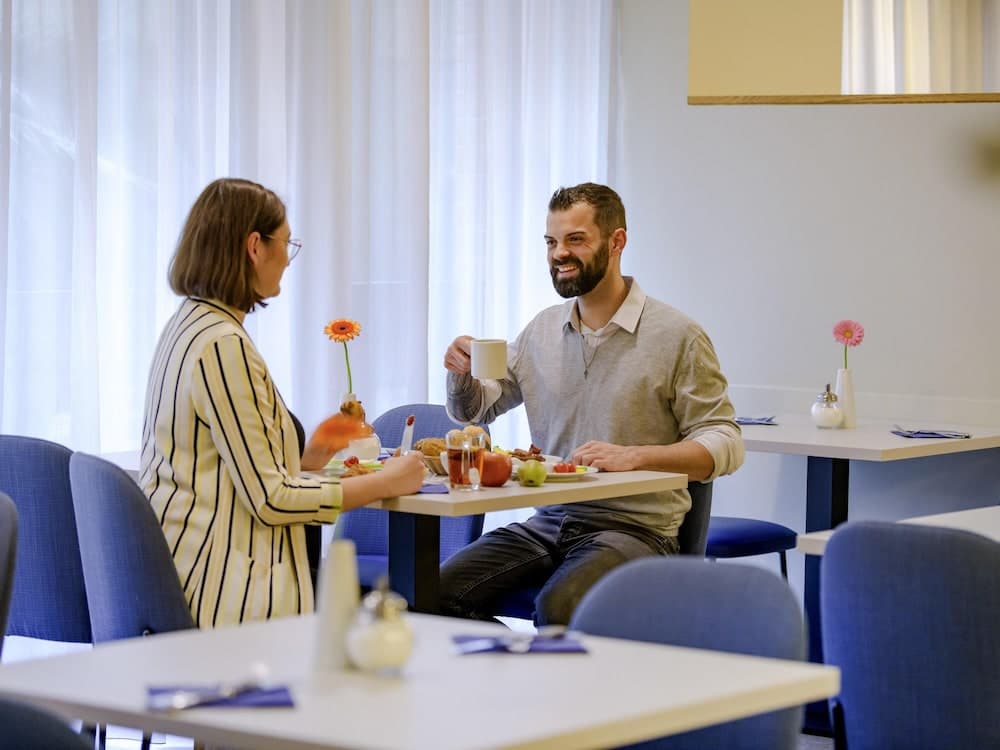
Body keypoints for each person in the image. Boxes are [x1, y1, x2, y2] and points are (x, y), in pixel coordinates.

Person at [440, 182, 744, 625]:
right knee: (432, 592)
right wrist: (461, 372)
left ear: (617, 242)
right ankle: (513, 669)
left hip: (635, 529)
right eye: (551, 242)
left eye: (576, 239)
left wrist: (637, 456)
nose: (559, 253)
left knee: (560, 607)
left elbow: (726, 440)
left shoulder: (678, 336)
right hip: (550, 521)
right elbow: (477, 411)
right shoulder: (542, 331)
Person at [139, 178, 425, 628]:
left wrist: (306, 459)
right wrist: (386, 481)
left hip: (185, 568)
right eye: (286, 245)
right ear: (255, 246)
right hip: (224, 590)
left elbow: (230, 469)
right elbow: (272, 499)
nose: (288, 262)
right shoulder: (223, 345)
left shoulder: (189, 326)